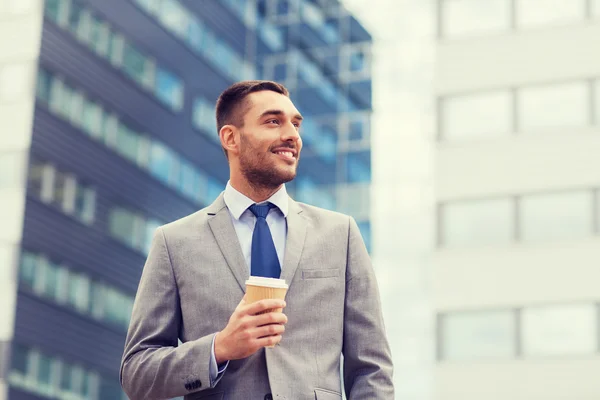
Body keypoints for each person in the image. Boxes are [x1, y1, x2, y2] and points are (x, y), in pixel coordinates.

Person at [120, 80, 394, 400]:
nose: (292, 134)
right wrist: (219, 348)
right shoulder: (175, 242)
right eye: (273, 121)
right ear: (231, 138)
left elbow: (371, 369)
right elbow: (137, 373)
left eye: (296, 123)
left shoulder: (340, 234)